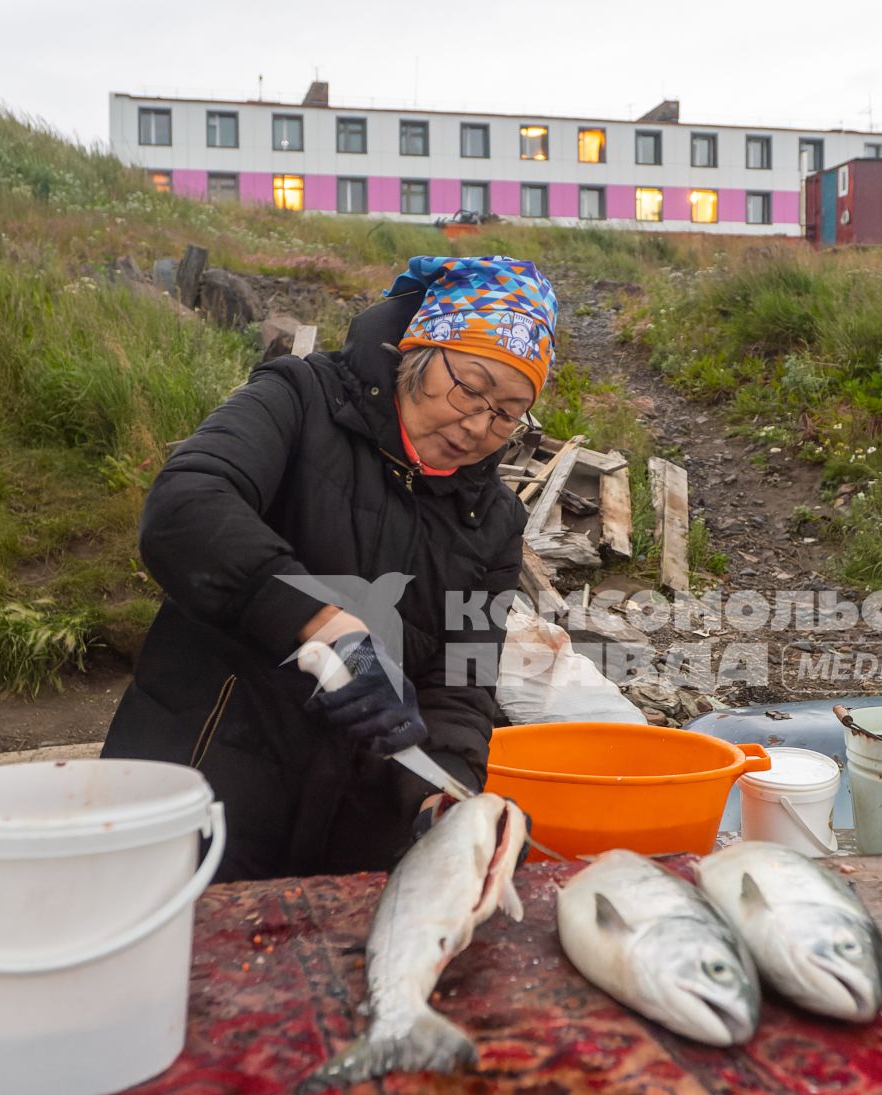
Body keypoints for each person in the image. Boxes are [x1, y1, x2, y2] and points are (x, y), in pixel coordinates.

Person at [102, 255, 557, 880]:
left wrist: (444, 795)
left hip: (352, 836)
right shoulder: (299, 399)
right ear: (419, 352)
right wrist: (323, 626)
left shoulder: (495, 520)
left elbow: (462, 682)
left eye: (507, 412)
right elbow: (186, 509)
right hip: (196, 792)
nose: (478, 424)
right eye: (470, 388)